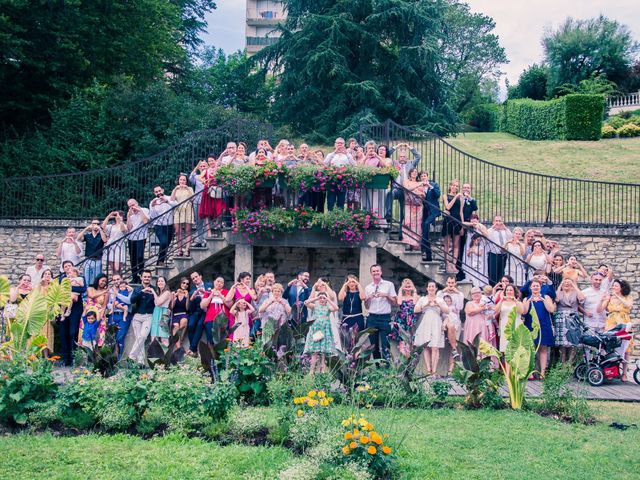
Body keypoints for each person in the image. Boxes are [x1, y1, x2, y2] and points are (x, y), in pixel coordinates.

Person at [520, 279, 556, 377]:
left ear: (540, 288)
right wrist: (529, 299)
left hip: (544, 324)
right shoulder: (526, 299)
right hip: (530, 326)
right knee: (530, 349)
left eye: (537, 286)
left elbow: (551, 309)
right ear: (530, 288)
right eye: (534, 286)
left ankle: (542, 372)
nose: (535, 287)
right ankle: (530, 372)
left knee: (543, 348)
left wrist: (543, 299)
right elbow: (524, 311)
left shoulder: (546, 297)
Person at [602, 279, 634, 381]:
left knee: (626, 349)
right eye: (613, 286)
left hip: (624, 321)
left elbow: (628, 305)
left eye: (616, 286)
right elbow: (604, 309)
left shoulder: (627, 297)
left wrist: (618, 296)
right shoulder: (610, 297)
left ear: (621, 288)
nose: (613, 287)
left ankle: (624, 373)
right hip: (611, 322)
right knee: (612, 347)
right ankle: (613, 371)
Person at [414, 281, 449, 375]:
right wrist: (426, 305)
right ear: (427, 288)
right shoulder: (422, 299)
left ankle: (434, 371)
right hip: (426, 322)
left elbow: (447, 311)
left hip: (436, 322)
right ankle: (428, 370)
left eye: (433, 286)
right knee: (426, 347)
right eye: (429, 286)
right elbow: (416, 310)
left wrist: (439, 305)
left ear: (436, 288)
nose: (431, 288)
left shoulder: (440, 299)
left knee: (435, 347)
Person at [387, 142, 421, 234]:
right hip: (396, 189)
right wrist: (396, 147)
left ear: (407, 158)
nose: (402, 158)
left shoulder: (411, 164)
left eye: (404, 157)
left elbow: (418, 156)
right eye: (401, 157)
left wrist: (409, 147)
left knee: (403, 212)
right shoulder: (394, 163)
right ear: (398, 158)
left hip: (407, 191)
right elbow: (387, 154)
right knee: (390, 193)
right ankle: (389, 214)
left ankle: (401, 233)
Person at [365, 264, 397, 360]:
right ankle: (378, 366)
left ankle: (386, 368)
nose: (376, 273)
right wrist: (368, 298)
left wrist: (386, 295)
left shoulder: (389, 285)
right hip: (372, 318)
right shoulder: (368, 287)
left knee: (385, 344)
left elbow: (394, 302)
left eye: (377, 271)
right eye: (374, 271)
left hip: (385, 318)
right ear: (371, 273)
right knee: (373, 345)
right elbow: (366, 306)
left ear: (381, 272)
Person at [304, 292, 338, 375]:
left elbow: (336, 308)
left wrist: (328, 299)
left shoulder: (328, 307)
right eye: (321, 298)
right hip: (316, 330)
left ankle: (322, 368)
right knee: (315, 350)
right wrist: (316, 298)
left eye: (324, 298)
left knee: (323, 351)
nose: (322, 300)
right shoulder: (315, 306)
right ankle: (311, 370)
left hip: (325, 330)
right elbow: (306, 302)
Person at [58, 266, 86, 366]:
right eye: (67, 269)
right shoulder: (62, 279)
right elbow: (59, 290)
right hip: (63, 307)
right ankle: (66, 358)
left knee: (73, 332)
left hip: (76, 308)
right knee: (63, 333)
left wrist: (68, 288)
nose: (69, 271)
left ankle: (74, 357)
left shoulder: (80, 278)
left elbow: (83, 289)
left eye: (70, 268)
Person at [554, 278, 585, 363]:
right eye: (565, 282)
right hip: (561, 318)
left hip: (572, 317)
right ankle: (562, 362)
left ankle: (570, 363)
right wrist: (560, 285)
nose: (567, 284)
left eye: (569, 282)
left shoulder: (575, 293)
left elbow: (582, 299)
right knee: (562, 341)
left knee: (573, 340)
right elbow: (556, 299)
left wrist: (574, 285)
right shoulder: (559, 293)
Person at [129, 270, 156, 364]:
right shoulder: (137, 289)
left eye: (148, 277)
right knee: (139, 339)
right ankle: (141, 362)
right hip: (137, 316)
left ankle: (131, 356)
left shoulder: (154, 289)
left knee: (143, 336)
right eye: (145, 276)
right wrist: (141, 292)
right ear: (141, 278)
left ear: (151, 278)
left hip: (148, 316)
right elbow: (132, 300)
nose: (147, 278)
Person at [437, 276, 465, 361]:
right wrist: (443, 290)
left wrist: (458, 293)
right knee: (450, 325)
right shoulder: (441, 293)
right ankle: (454, 349)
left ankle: (450, 370)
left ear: (455, 283)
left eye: (452, 283)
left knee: (454, 341)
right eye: (449, 283)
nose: (450, 285)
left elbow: (460, 307)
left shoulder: (459, 294)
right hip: (443, 320)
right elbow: (438, 301)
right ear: (446, 283)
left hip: (455, 320)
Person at [324, 137, 355, 211]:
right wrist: (334, 152)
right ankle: (330, 217)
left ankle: (340, 220)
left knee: (341, 201)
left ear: (344, 145)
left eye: (341, 143)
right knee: (330, 201)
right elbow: (325, 164)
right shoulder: (331, 154)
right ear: (335, 144)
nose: (339, 145)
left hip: (343, 180)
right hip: (332, 180)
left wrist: (347, 153)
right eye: (338, 143)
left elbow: (354, 165)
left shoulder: (347, 155)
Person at [455, 183, 479, 280]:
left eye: (468, 188)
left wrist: (470, 198)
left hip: (469, 226)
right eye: (464, 187)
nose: (466, 189)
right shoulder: (459, 198)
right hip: (461, 224)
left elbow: (475, 208)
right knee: (460, 248)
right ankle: (459, 270)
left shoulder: (471, 200)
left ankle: (466, 271)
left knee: (467, 248)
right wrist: (461, 225)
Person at [149, 185, 177, 266]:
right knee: (164, 242)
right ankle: (160, 262)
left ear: (163, 190)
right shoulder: (152, 202)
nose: (158, 193)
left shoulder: (169, 198)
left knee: (166, 245)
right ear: (154, 193)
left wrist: (167, 201)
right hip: (159, 226)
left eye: (159, 191)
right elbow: (152, 216)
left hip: (170, 225)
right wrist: (153, 207)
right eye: (156, 192)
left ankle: (160, 262)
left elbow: (176, 205)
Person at [441, 180, 464, 273]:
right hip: (448, 220)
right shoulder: (445, 196)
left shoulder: (461, 198)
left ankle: (454, 265)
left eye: (457, 186)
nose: (455, 187)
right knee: (447, 243)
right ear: (450, 186)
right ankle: (447, 263)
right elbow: (448, 207)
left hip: (457, 220)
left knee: (456, 244)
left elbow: (461, 212)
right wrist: (455, 197)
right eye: (453, 185)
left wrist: (462, 225)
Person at [392, 279, 419, 358]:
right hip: (401, 319)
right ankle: (403, 362)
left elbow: (414, 303)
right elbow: (399, 303)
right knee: (402, 342)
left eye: (409, 286)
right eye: (406, 287)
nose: (407, 288)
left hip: (410, 320)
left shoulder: (415, 296)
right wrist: (401, 289)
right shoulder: (400, 296)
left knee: (409, 342)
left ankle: (408, 362)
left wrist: (414, 290)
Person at [186, 271, 212, 355]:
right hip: (196, 312)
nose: (195, 279)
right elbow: (191, 308)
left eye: (196, 277)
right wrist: (192, 298)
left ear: (200, 276)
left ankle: (192, 349)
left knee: (200, 325)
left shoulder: (210, 285)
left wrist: (205, 292)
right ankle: (194, 349)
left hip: (206, 311)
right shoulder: (192, 291)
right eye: (193, 278)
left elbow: (213, 295)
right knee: (190, 325)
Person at [225, 272, 257, 338]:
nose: (248, 280)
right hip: (236, 314)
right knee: (235, 334)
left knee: (246, 333)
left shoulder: (251, 290)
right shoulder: (235, 289)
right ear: (241, 279)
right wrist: (232, 287)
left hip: (246, 314)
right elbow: (227, 299)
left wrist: (246, 287)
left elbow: (254, 298)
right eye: (247, 279)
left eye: (249, 279)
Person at [337, 275, 366, 350]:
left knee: (357, 340)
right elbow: (340, 298)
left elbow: (363, 297)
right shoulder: (345, 293)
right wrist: (344, 285)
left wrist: (358, 284)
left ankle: (357, 359)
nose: (351, 284)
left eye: (353, 282)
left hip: (357, 318)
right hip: (347, 319)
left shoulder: (359, 293)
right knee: (346, 340)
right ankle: (348, 358)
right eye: (349, 282)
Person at [200, 276, 230, 346]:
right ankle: (212, 355)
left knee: (224, 340)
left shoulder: (226, 292)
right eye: (218, 281)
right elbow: (202, 306)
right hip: (210, 318)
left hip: (223, 319)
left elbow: (230, 305)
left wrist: (221, 296)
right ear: (214, 282)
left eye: (222, 282)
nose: (219, 283)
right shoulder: (208, 292)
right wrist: (211, 295)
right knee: (211, 340)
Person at [200, 155, 225, 235]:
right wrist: (204, 181)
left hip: (217, 191)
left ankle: (217, 224)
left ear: (215, 160)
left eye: (212, 160)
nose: (211, 162)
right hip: (207, 192)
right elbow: (199, 177)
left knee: (221, 209)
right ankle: (209, 233)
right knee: (207, 213)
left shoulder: (219, 169)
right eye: (209, 161)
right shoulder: (206, 171)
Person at [126, 198, 150, 284]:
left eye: (133, 205)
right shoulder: (130, 214)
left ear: (137, 203)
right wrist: (128, 216)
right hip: (131, 237)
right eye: (130, 206)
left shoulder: (144, 210)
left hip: (141, 237)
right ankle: (134, 276)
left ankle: (141, 274)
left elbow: (146, 221)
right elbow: (129, 227)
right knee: (132, 258)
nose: (132, 207)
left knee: (140, 256)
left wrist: (139, 211)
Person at [76, 218, 106, 286]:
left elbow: (104, 240)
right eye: (94, 224)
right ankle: (86, 294)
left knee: (97, 279)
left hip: (97, 260)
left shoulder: (101, 235)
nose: (95, 225)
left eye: (97, 224)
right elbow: (78, 238)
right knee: (86, 278)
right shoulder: (88, 235)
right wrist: (86, 229)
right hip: (88, 259)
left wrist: (100, 229)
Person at [171, 174, 195, 257]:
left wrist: (187, 189)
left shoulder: (190, 188)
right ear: (178, 181)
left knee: (188, 230)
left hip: (187, 209)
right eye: (181, 180)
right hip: (178, 210)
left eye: (184, 180)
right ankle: (179, 249)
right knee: (178, 231)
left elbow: (192, 199)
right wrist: (175, 190)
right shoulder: (176, 189)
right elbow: (172, 200)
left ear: (186, 181)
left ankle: (187, 250)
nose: (182, 181)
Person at [402, 168, 425, 250]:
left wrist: (419, 193)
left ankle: (415, 245)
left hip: (418, 207)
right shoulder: (406, 181)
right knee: (408, 223)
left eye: (416, 172)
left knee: (417, 226)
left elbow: (423, 194)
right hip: (409, 205)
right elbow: (407, 189)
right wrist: (418, 187)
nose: (414, 173)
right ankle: (408, 242)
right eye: (412, 171)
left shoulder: (420, 183)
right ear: (410, 173)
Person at [4, 274, 32, 343]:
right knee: (15, 335)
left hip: (27, 315)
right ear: (20, 280)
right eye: (24, 280)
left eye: (28, 280)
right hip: (15, 315)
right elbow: (13, 299)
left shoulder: (31, 290)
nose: (26, 282)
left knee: (26, 334)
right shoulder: (13, 289)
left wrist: (32, 290)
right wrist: (18, 287)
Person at [419, 171, 440, 262]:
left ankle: (424, 248)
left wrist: (430, 187)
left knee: (426, 224)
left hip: (433, 211)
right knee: (424, 229)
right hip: (425, 211)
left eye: (425, 176)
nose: (423, 177)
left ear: (427, 177)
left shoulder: (434, 185)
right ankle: (428, 254)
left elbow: (437, 194)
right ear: (420, 178)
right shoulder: (419, 186)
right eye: (422, 176)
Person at [494, 285, 522, 353]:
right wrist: (501, 300)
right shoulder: (502, 302)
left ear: (514, 292)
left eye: (511, 290)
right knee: (506, 349)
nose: (509, 292)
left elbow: (521, 311)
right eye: (507, 290)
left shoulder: (518, 302)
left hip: (515, 325)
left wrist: (515, 300)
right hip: (504, 325)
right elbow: (496, 310)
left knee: (516, 349)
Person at [486, 216, 513, 286]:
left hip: (503, 254)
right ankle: (493, 287)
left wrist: (505, 228)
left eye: (500, 221)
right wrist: (493, 227)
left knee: (501, 273)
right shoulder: (490, 231)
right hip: (494, 254)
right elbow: (487, 236)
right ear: (493, 222)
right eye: (496, 221)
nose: (498, 223)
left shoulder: (505, 231)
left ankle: (501, 287)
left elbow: (511, 237)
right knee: (493, 273)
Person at [189, 159, 209, 246]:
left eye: (204, 166)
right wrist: (196, 167)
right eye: (201, 166)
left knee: (207, 221)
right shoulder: (197, 177)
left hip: (207, 200)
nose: (202, 167)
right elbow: (190, 178)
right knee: (198, 221)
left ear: (207, 167)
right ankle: (200, 240)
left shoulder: (209, 176)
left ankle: (207, 239)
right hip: (197, 201)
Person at [102, 211, 128, 276]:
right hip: (111, 245)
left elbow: (123, 230)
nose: (118, 217)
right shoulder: (111, 226)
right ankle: (114, 281)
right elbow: (103, 227)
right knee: (113, 267)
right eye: (117, 216)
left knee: (118, 267)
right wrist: (109, 216)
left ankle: (120, 280)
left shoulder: (124, 225)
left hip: (119, 246)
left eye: (120, 215)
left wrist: (121, 220)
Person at [149, 276, 172, 346]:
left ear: (165, 283)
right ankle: (154, 354)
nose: (160, 282)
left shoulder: (167, 292)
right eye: (158, 281)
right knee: (154, 335)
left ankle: (165, 354)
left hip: (163, 313)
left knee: (163, 335)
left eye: (162, 281)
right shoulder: (159, 293)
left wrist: (153, 291)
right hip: (156, 312)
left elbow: (159, 303)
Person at [38, 268, 55, 357]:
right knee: (41, 333)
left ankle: (46, 356)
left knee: (48, 333)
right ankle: (40, 355)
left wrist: (51, 284)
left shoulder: (53, 287)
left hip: (49, 313)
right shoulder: (39, 287)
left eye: (49, 274)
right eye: (45, 274)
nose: (47, 276)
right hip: (40, 313)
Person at [170, 277, 190, 350]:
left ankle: (180, 341)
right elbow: (171, 307)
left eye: (187, 284)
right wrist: (175, 298)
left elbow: (187, 308)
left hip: (183, 314)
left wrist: (187, 297)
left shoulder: (187, 294)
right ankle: (179, 348)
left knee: (184, 321)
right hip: (175, 315)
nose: (185, 285)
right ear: (180, 283)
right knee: (176, 326)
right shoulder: (174, 293)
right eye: (183, 283)